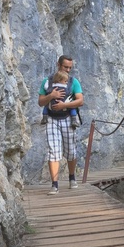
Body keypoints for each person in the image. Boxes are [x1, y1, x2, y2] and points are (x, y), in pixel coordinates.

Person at [38, 55, 84, 195]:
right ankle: (55, 184)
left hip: (68, 118)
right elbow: (40, 102)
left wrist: (65, 104)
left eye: (70, 67)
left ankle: (72, 178)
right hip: (52, 119)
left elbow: (80, 101)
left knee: (70, 151)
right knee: (53, 151)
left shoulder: (73, 82)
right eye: (65, 67)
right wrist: (51, 96)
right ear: (58, 64)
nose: (68, 70)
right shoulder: (47, 82)